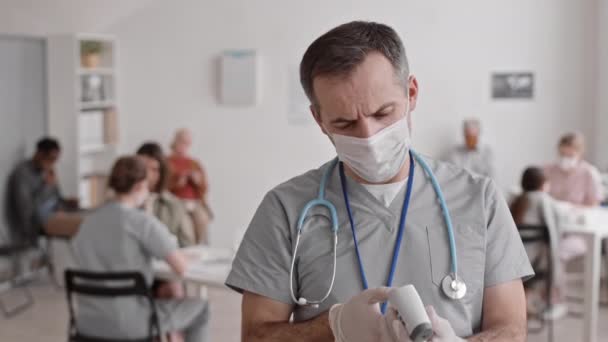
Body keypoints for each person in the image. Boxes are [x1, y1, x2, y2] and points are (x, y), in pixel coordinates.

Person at [226, 21, 533, 341]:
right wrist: (334, 325)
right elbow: (256, 335)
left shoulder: (478, 199)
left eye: (383, 113)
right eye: (344, 123)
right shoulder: (286, 209)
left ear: (411, 93)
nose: (369, 137)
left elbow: (511, 328)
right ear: (319, 120)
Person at [72, 156, 209, 342]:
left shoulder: (87, 223)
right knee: (201, 309)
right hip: (130, 323)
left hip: (87, 322)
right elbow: (181, 267)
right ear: (138, 186)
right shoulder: (142, 223)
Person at [510, 167, 585, 320]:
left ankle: (526, 302)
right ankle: (554, 301)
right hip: (537, 264)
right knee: (558, 254)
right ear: (544, 184)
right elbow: (559, 227)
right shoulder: (545, 201)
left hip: (514, 263)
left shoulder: (515, 201)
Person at [6, 137, 82, 245]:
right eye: (51, 159)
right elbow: (26, 209)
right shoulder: (22, 173)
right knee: (81, 226)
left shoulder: (48, 171)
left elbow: (56, 198)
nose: (52, 163)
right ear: (40, 154)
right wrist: (45, 185)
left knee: (87, 217)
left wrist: (67, 202)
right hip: (35, 222)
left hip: (56, 213)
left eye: (55, 160)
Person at [137, 142, 196, 247]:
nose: (147, 175)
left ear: (161, 172)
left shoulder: (174, 205)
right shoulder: (123, 203)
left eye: (154, 169)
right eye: (143, 168)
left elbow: (188, 245)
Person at [168, 129, 212, 245]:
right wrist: (178, 182)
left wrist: (197, 181)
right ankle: (189, 248)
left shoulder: (194, 163)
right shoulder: (167, 161)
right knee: (186, 229)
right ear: (175, 141)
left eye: (187, 143)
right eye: (182, 141)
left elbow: (204, 187)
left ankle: (196, 247)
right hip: (176, 202)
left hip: (195, 202)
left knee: (203, 219)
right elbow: (162, 187)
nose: (184, 145)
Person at [544, 132, 604, 206]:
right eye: (562, 154)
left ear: (580, 153)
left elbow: (594, 202)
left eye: (570, 155)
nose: (565, 158)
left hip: (579, 214)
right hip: (552, 213)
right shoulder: (547, 170)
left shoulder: (589, 172)